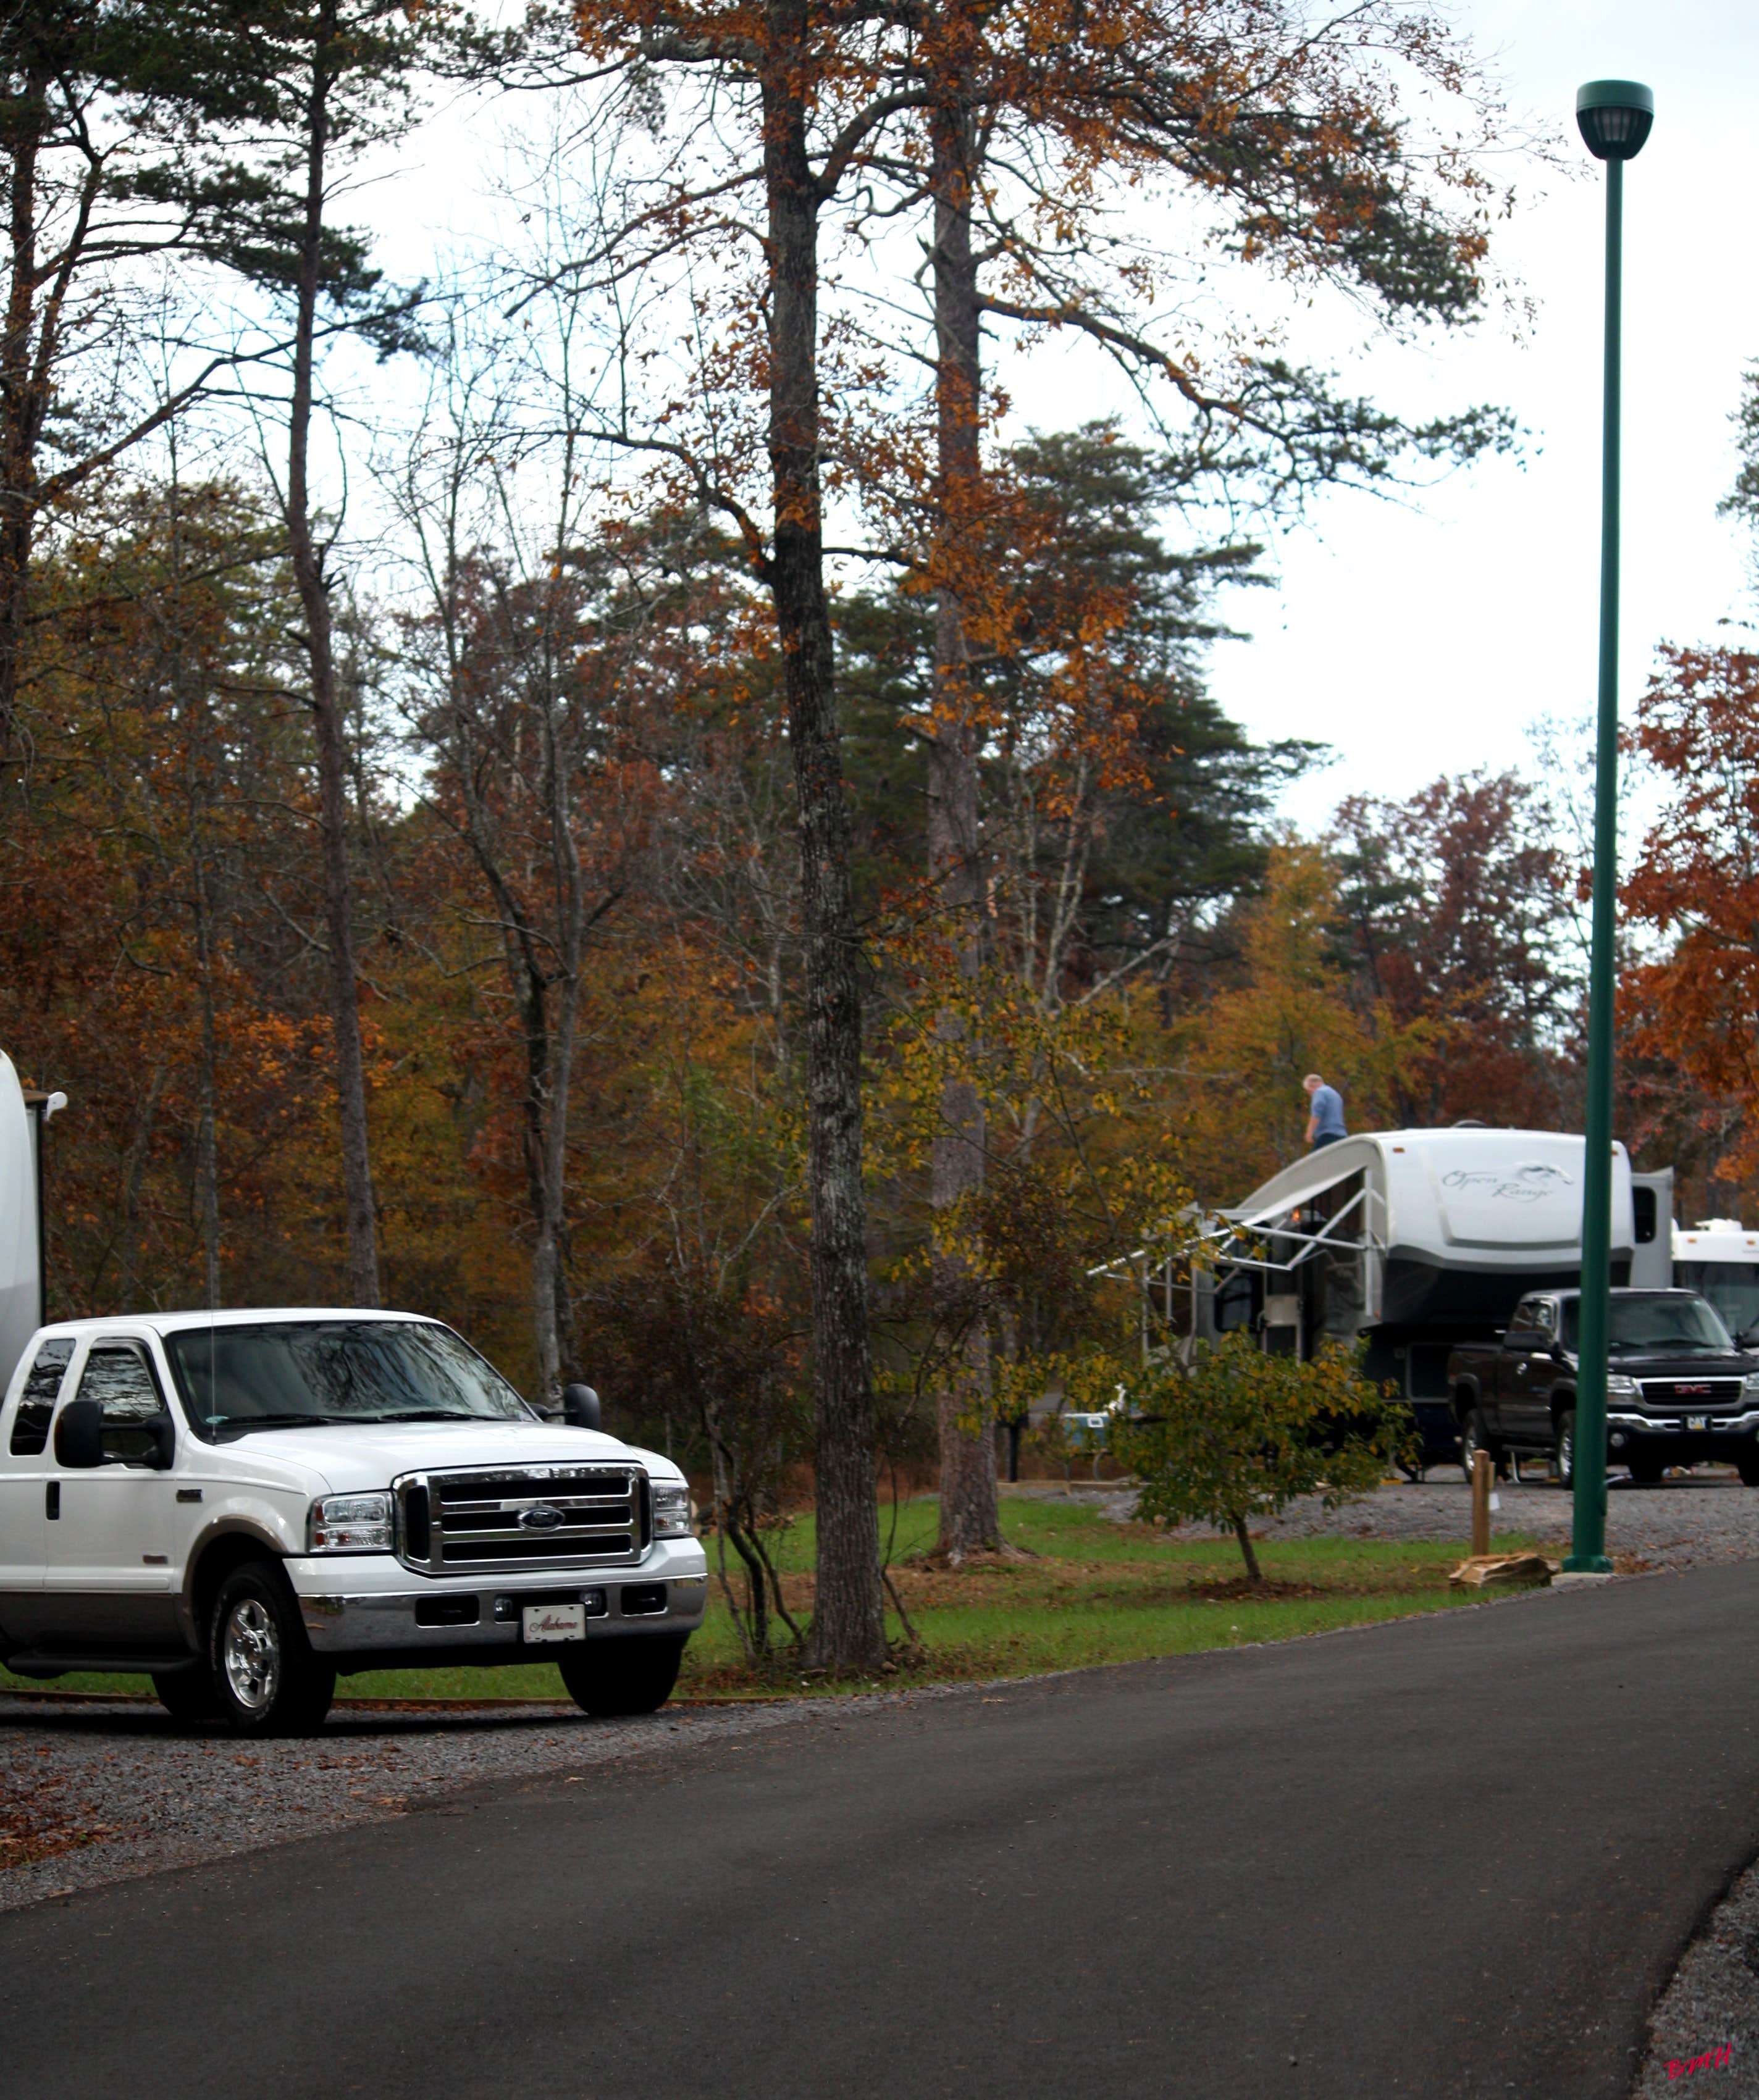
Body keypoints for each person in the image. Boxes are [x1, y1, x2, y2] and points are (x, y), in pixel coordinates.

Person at [1304, 1072, 1346, 1149]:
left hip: (1327, 1135)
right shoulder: (1335, 1094)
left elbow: (1317, 1112)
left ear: (1311, 1085)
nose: (1310, 1094)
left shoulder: (1319, 1092)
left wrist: (1309, 1132)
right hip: (1341, 1135)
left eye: (1308, 1091)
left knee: (1315, 1160)